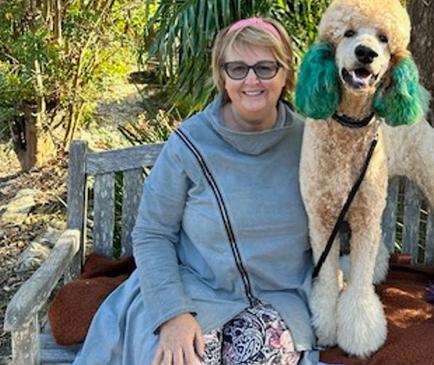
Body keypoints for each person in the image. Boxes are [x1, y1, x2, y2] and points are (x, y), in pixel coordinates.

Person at [73, 17, 318, 365]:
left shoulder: (311, 143)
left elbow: (338, 224)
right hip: (194, 290)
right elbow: (153, 233)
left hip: (279, 298)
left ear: (285, 73)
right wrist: (172, 313)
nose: (251, 80)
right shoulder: (190, 143)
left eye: (265, 67)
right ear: (222, 75)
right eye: (237, 68)